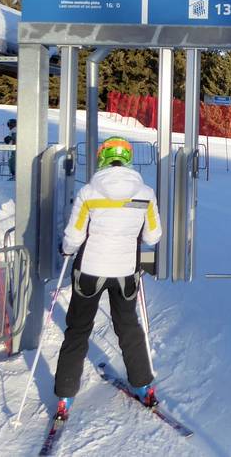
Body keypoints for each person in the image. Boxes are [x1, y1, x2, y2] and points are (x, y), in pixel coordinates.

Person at [53, 136, 162, 420]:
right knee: (128, 326)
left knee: (78, 329)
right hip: (125, 271)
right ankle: (144, 385)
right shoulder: (145, 194)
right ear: (128, 160)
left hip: (90, 270)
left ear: (102, 158)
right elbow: (153, 236)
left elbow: (74, 235)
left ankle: (65, 394)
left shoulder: (89, 192)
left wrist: (66, 249)